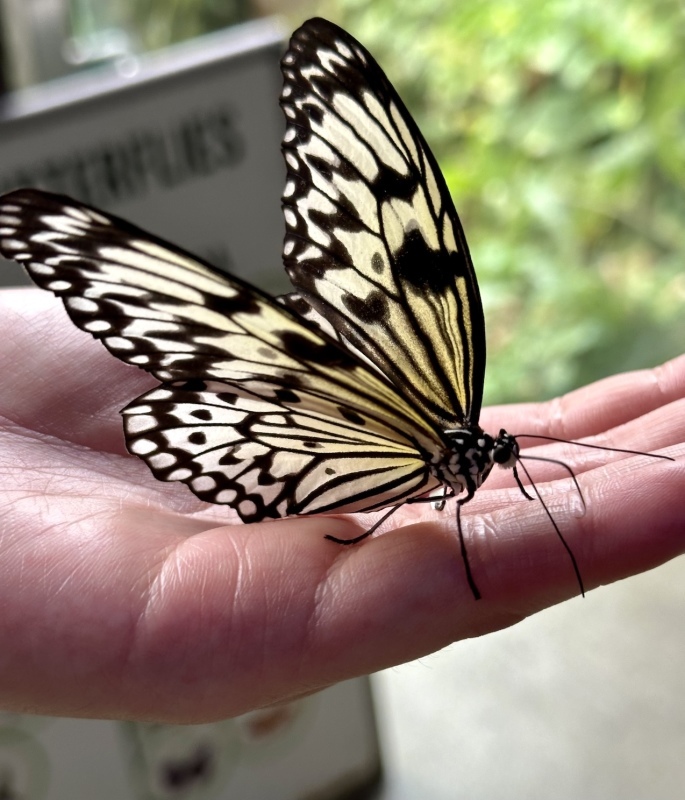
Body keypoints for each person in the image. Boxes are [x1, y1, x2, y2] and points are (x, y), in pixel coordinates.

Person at [0, 286, 682, 723]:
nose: (503, 456)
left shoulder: (452, 446)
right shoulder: (443, 437)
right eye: (502, 454)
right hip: (287, 435)